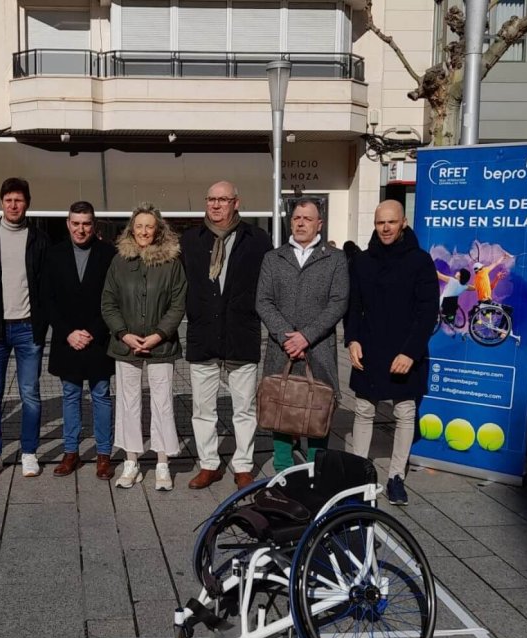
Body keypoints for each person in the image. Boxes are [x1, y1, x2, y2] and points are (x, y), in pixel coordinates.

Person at [346, 200, 438, 506]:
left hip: (404, 349)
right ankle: (358, 477)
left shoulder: (420, 261)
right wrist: (352, 340)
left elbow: (427, 313)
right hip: (369, 347)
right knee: (363, 410)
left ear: (404, 223)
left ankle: (396, 476)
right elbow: (354, 306)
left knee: (404, 412)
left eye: (391, 222)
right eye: (379, 223)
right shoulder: (362, 261)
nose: (385, 228)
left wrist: (410, 353)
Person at [181, 181, 271, 490]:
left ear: (236, 202)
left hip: (240, 334)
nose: (216, 205)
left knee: (243, 408)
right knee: (202, 409)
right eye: (211, 199)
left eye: (223, 199)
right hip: (203, 334)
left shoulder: (258, 239)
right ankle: (209, 464)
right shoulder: (191, 240)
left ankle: (243, 465)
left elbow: (267, 287)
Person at [256, 199, 348, 474]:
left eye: (307, 218)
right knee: (282, 405)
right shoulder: (274, 258)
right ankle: (283, 466)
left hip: (317, 348)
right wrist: (288, 337)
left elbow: (338, 302)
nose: (300, 222)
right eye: (296, 217)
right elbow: (263, 301)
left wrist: (306, 336)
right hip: (281, 347)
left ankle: (315, 467)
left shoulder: (335, 258)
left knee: (317, 406)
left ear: (319, 223)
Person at [101, 202, 187, 490]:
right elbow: (108, 302)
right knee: (128, 403)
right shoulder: (119, 262)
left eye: (149, 226)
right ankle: (131, 461)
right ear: (131, 229)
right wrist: (123, 334)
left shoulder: (171, 263)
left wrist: (159, 334)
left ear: (158, 230)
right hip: (126, 345)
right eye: (139, 226)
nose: (144, 231)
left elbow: (177, 304)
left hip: (160, 345)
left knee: (162, 403)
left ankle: (162, 462)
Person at [0, 177, 48, 479]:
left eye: (19, 199)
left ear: (27, 202)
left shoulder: (39, 239)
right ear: (1, 203)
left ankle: (29, 452)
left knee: (30, 393)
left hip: (28, 327)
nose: (14, 205)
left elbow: (43, 283)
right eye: (8, 200)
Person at [43, 201, 117, 480]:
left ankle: (103, 455)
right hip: (67, 339)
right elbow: (47, 299)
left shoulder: (108, 254)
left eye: (86, 223)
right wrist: (68, 332)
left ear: (93, 225)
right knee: (71, 396)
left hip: (97, 339)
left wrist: (93, 331)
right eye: (76, 223)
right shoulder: (54, 254)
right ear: (68, 224)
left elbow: (113, 299)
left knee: (101, 396)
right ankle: (71, 452)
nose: (81, 229)